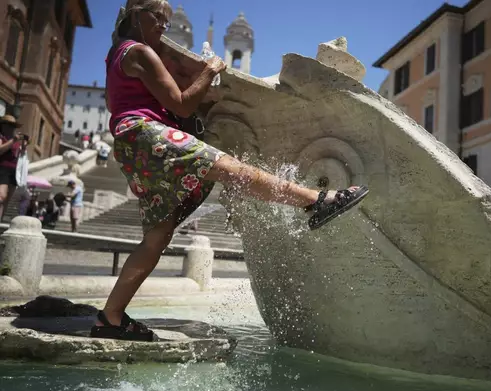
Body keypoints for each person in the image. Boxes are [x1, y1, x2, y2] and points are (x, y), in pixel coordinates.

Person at [91, 0, 369, 342]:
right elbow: (181, 103)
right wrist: (210, 70)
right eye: (158, 17)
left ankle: (111, 317)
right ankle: (316, 200)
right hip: (146, 133)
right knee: (229, 167)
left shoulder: (115, 55)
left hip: (129, 144)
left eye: (167, 19)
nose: (163, 25)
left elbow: (118, 102)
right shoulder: (141, 52)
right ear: (136, 15)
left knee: (157, 237)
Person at [0, 114, 28, 222]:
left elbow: (20, 155)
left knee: (6, 200)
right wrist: (12, 141)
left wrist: (24, 146)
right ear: (2, 126)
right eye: (7, 125)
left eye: (12, 126)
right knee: (1, 197)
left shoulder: (15, 140)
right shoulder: (2, 137)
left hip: (13, 171)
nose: (10, 127)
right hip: (2, 169)